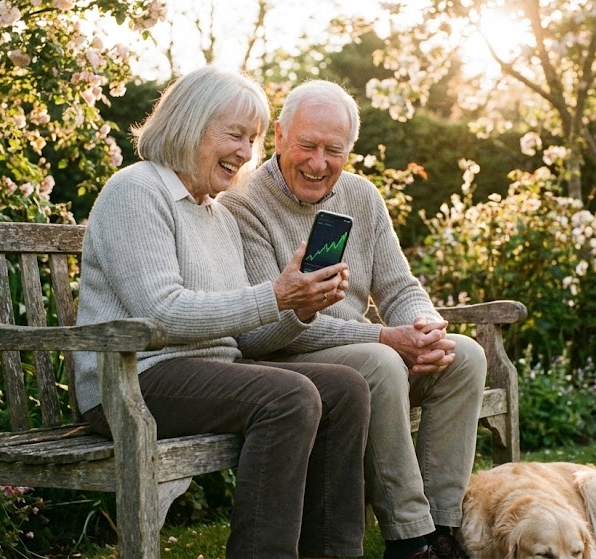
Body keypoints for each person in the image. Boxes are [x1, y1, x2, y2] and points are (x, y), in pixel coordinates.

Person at [73, 67, 371, 559]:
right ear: (189, 124)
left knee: (345, 388)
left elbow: (247, 338)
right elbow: (160, 315)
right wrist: (275, 295)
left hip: (207, 375)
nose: (245, 153)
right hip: (133, 379)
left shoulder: (217, 213)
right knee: (289, 395)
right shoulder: (137, 190)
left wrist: (300, 306)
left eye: (251, 139)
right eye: (235, 134)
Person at [220, 80, 487, 559]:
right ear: (279, 136)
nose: (318, 163)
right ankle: (411, 537)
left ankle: (443, 528)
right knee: (380, 361)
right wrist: (385, 336)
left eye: (333, 150)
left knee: (463, 355)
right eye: (307, 145)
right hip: (289, 358)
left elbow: (400, 287)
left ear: (350, 151)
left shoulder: (361, 197)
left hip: (361, 349)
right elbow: (261, 330)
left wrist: (424, 327)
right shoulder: (244, 205)